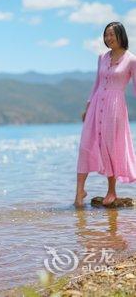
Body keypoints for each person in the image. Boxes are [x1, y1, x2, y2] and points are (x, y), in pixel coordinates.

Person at [75, 22, 136, 207]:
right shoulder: (102, 57)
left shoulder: (131, 60)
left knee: (111, 147)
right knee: (85, 145)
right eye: (106, 35)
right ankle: (79, 191)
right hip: (96, 105)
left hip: (115, 108)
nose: (108, 38)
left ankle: (111, 191)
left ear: (121, 35)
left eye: (112, 34)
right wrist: (87, 107)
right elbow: (96, 84)